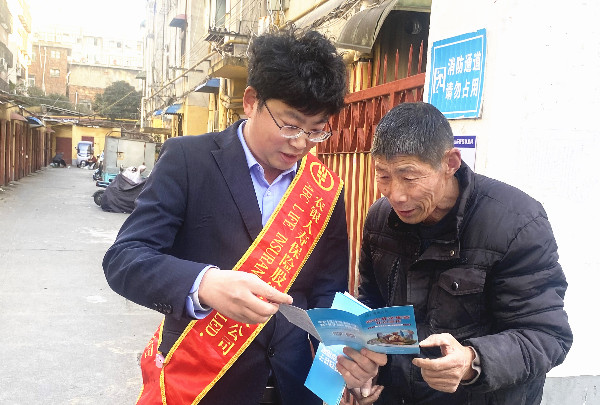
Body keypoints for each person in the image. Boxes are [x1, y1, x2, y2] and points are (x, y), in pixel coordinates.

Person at [103, 28, 386, 405]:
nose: (301, 143)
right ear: (251, 102)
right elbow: (124, 259)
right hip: (203, 383)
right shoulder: (188, 161)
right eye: (290, 125)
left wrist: (346, 367)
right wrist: (205, 284)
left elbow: (326, 292)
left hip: (296, 386)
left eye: (316, 132)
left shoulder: (324, 188)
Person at [351, 102, 572, 405]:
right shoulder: (381, 219)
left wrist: (472, 361)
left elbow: (547, 335)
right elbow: (373, 306)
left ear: (450, 163)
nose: (396, 195)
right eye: (383, 176)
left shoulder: (516, 222)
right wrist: (367, 369)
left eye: (409, 177)